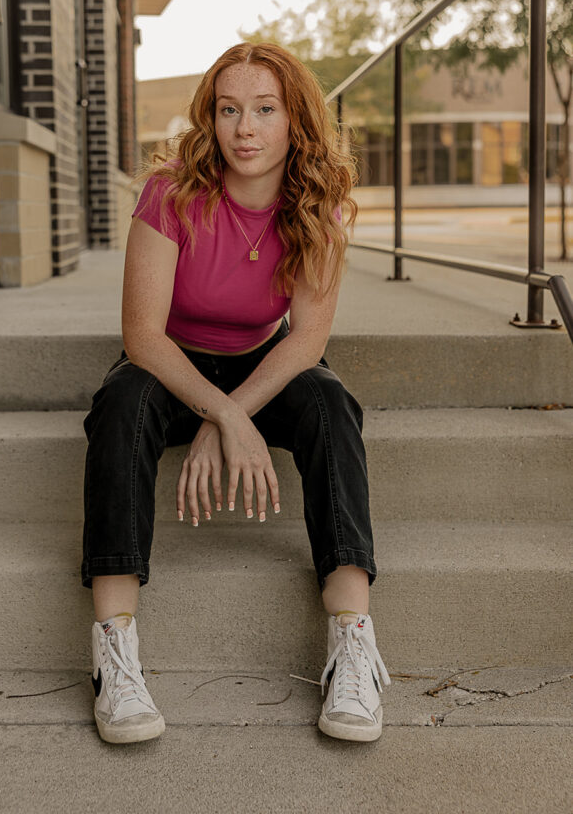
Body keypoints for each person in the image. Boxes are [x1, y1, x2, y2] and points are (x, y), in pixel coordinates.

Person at [81, 42, 390, 746]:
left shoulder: (320, 207)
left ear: (294, 121)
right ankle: (114, 656)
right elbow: (142, 337)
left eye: (264, 109)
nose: (244, 128)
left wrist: (240, 409)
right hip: (171, 364)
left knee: (330, 403)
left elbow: (306, 340)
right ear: (210, 118)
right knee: (123, 406)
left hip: (266, 361)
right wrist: (222, 415)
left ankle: (354, 648)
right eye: (228, 109)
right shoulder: (172, 191)